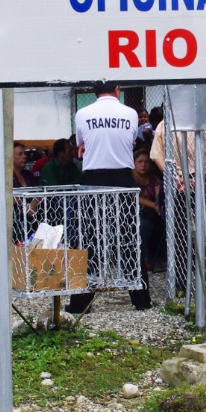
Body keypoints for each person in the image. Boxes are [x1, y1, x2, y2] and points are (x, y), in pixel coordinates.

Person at [68, 84, 151, 313]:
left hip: (93, 178)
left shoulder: (82, 114)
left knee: (89, 238)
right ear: (117, 90)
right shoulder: (130, 113)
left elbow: (81, 145)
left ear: (94, 92)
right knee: (130, 238)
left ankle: (81, 301)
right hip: (123, 178)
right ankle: (141, 298)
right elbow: (131, 140)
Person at [149, 107, 206, 298]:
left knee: (180, 234)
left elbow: (156, 155)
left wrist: (174, 176)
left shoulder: (165, 125)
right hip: (201, 179)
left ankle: (182, 284)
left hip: (177, 181)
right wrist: (198, 176)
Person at [133, 149, 163, 275]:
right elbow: (134, 197)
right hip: (134, 214)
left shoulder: (154, 179)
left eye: (146, 162)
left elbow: (159, 195)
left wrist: (158, 203)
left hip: (151, 215)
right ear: (134, 163)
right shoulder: (130, 178)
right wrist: (152, 205)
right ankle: (145, 259)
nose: (143, 165)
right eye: (140, 161)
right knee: (141, 226)